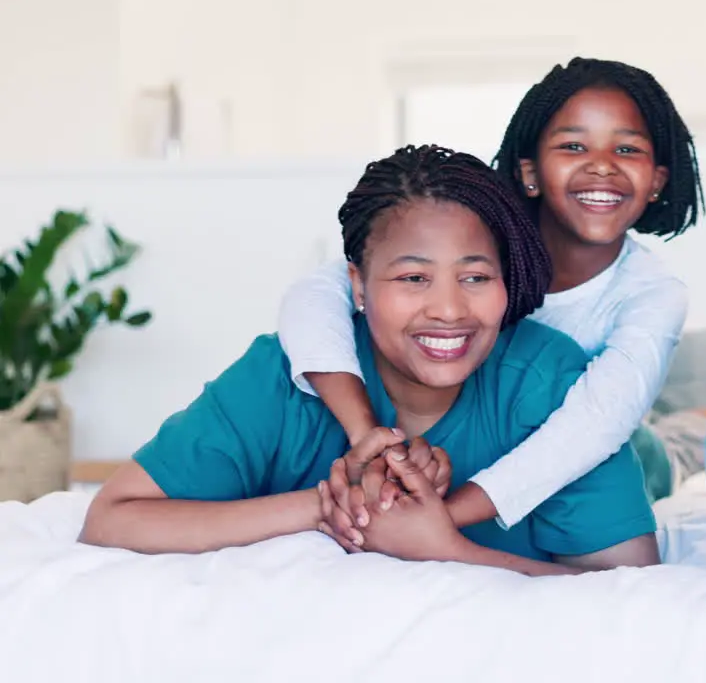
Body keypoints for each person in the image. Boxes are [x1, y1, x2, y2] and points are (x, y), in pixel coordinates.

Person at [79, 145, 659, 577]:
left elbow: (634, 589)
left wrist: (451, 551)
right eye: (413, 278)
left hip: (644, 453)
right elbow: (112, 518)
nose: (449, 310)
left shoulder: (549, 382)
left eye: (476, 277)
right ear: (356, 285)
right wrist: (328, 509)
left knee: (661, 452)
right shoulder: (285, 376)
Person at [276, 60, 702, 550]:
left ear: (657, 180)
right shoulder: (476, 232)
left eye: (626, 149)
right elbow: (312, 296)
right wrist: (365, 435)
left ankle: (695, 421)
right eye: (573, 146)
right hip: (480, 441)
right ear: (529, 172)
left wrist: (437, 522)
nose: (602, 165)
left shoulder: (654, 293)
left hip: (623, 449)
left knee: (675, 442)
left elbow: (594, 429)